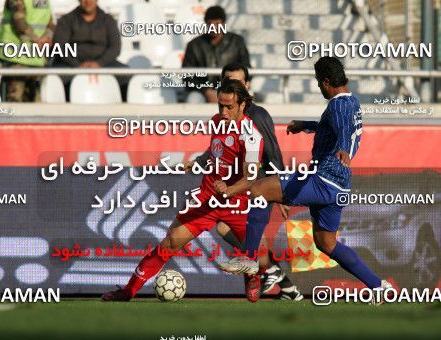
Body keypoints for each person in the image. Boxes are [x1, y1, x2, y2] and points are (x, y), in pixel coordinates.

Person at [218, 57, 391, 302]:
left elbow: (341, 130)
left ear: (327, 82)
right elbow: (334, 126)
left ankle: (248, 258)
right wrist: (306, 126)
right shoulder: (351, 101)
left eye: (319, 84)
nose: (319, 88)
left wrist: (342, 148)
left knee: (258, 188)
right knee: (326, 243)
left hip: (323, 179)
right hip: (340, 186)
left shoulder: (337, 106)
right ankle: (377, 286)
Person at [101, 79, 264, 301]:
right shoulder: (217, 121)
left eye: (229, 107)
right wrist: (198, 161)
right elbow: (215, 150)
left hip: (237, 203)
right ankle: (128, 291)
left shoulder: (252, 137)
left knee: (260, 256)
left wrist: (229, 189)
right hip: (207, 199)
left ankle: (252, 274)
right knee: (170, 242)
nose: (223, 112)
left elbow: (251, 178)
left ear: (243, 105)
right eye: (220, 106)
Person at [192, 63, 303, 302]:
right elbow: (216, 149)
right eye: (228, 81)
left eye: (239, 82)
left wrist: (283, 190)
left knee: (238, 232)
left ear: (247, 87)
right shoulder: (223, 116)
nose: (234, 86)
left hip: (257, 187)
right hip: (236, 187)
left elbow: (273, 152)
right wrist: (200, 160)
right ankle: (286, 287)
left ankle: (269, 271)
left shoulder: (257, 115)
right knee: (235, 231)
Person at [53, 0, 128, 101]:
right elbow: (60, 48)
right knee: (56, 78)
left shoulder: (107, 20)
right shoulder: (66, 20)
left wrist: (99, 63)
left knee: (128, 76)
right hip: (71, 64)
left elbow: (115, 47)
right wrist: (78, 65)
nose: (88, 2)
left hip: (103, 63)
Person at [182, 5, 250, 103]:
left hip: (232, 89)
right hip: (201, 92)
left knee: (246, 100)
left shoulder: (236, 42)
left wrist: (232, 88)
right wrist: (206, 91)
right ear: (206, 24)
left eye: (217, 24)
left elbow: (246, 68)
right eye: (210, 24)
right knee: (193, 99)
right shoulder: (194, 45)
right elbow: (187, 76)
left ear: (224, 23)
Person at [0, 0, 55, 102]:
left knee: (34, 102)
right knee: (14, 102)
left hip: (35, 58)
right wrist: (38, 40)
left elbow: (50, 24)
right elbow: (19, 21)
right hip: (15, 58)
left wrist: (46, 38)